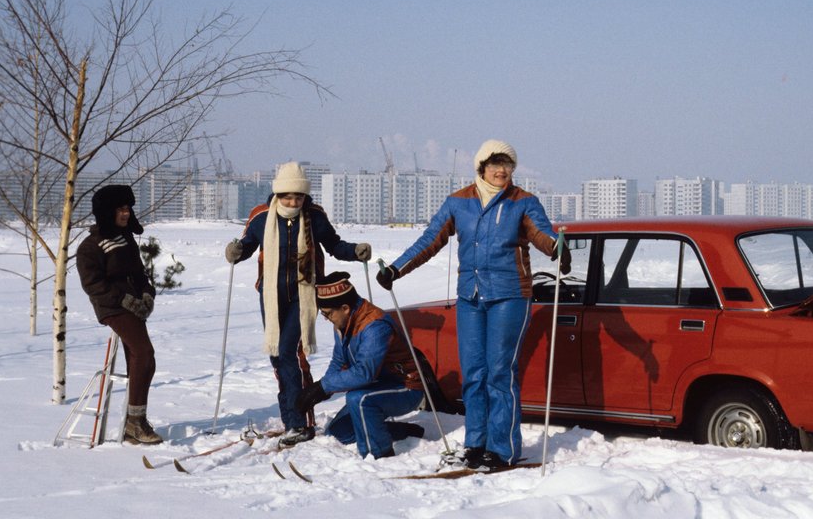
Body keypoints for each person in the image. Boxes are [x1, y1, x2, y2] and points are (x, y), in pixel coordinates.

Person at [376, 139, 569, 470]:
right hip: (470, 296)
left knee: (500, 372)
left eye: (507, 165)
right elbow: (430, 240)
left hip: (510, 296)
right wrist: (397, 268)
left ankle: (503, 448)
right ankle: (476, 444)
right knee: (473, 374)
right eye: (495, 164)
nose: (501, 171)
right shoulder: (458, 202)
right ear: (481, 167)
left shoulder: (523, 202)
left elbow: (542, 234)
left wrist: (557, 249)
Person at [225, 162, 371, 447]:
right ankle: (293, 418)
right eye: (287, 196)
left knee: (289, 352)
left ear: (306, 197)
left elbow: (334, 245)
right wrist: (236, 251)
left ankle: (299, 423)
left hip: (303, 296)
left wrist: (355, 251)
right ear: (277, 194)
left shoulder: (314, 217)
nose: (293, 202)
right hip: (270, 294)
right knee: (278, 358)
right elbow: (248, 244)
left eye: (298, 197)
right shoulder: (261, 216)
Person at [295, 272, 425, 459]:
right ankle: (398, 430)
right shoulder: (342, 323)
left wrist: (324, 387)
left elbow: (365, 373)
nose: (327, 319)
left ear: (345, 308)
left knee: (359, 399)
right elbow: (339, 362)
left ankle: (379, 455)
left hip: (405, 387)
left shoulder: (375, 326)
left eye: (328, 314)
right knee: (338, 432)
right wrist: (320, 390)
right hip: (376, 387)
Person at [76, 184, 163, 445]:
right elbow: (93, 285)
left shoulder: (126, 240)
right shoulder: (90, 246)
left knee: (146, 360)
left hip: (134, 305)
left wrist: (147, 294)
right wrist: (124, 299)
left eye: (128, 208)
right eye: (121, 209)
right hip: (112, 308)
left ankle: (135, 420)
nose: (126, 214)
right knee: (144, 352)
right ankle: (135, 424)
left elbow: (140, 274)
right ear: (107, 211)